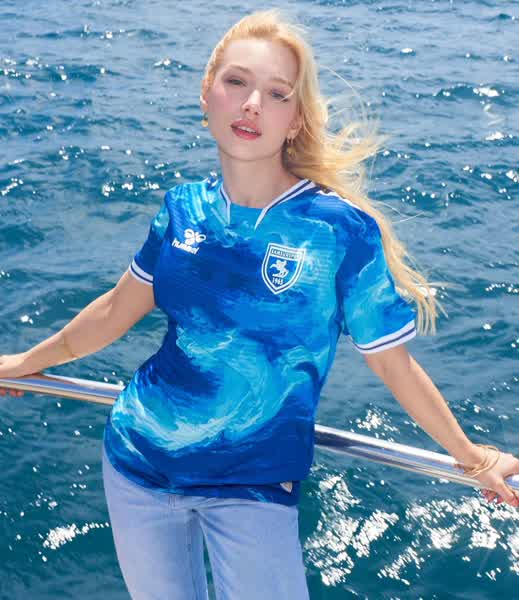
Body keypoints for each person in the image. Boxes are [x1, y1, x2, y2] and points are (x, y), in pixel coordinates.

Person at [1, 8, 518, 600]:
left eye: (277, 94)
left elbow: (392, 364)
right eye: (237, 82)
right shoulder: (182, 208)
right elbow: (116, 310)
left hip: (254, 486)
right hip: (137, 464)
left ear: (295, 120)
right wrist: (21, 363)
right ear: (207, 94)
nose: (252, 105)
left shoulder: (339, 230)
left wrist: (470, 457)